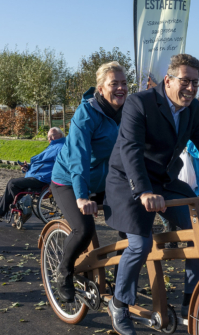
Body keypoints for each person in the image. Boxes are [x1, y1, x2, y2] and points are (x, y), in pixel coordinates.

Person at [103, 54, 199, 335]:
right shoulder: (139, 102)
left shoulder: (193, 109)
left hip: (164, 180)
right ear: (168, 81)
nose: (192, 88)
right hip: (128, 180)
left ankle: (190, 303)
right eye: (186, 81)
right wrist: (144, 191)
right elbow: (131, 149)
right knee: (140, 243)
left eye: (196, 82)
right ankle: (119, 303)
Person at [50, 61, 129, 302]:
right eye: (113, 83)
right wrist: (82, 196)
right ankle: (63, 271)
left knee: (132, 228)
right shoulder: (86, 113)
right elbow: (79, 157)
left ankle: (121, 285)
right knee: (84, 229)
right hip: (69, 180)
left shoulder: (129, 111)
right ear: (101, 88)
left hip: (106, 181)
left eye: (124, 83)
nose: (120, 88)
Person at [0, 127, 65, 223]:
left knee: (12, 183)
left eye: (52, 136)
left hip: (42, 179)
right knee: (13, 185)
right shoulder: (53, 146)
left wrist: (53, 182)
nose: (49, 138)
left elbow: (61, 166)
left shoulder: (60, 147)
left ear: (60, 135)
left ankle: (8, 212)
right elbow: (42, 164)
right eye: (48, 137)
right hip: (37, 176)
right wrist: (27, 167)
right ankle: (15, 211)